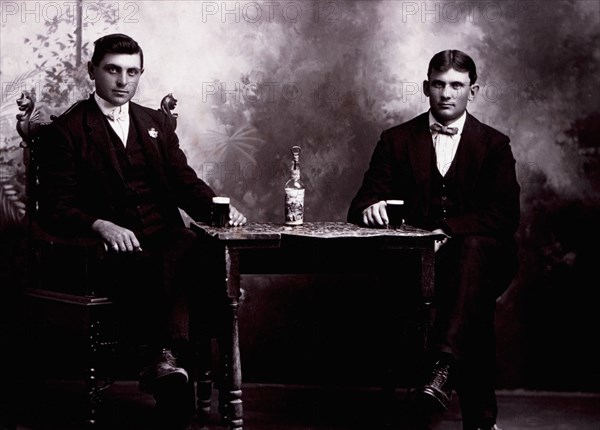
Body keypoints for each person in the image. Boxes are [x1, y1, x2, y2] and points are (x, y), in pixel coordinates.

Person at [37, 33, 247, 428]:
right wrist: (99, 224)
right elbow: (53, 206)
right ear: (92, 71)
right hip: (109, 250)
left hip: (163, 237)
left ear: (140, 75)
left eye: (132, 72)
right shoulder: (67, 130)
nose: (122, 81)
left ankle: (163, 361)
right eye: (112, 70)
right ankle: (172, 366)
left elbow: (184, 181)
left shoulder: (154, 123)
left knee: (189, 246)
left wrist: (221, 208)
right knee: (160, 264)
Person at [348, 50, 520, 430]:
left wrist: (449, 229)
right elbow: (359, 203)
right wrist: (371, 208)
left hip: (488, 258)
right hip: (418, 262)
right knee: (470, 301)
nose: (446, 94)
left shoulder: (494, 145)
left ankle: (439, 367)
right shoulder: (395, 140)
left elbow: (505, 215)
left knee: (471, 254)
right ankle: (476, 413)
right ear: (427, 87)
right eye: (439, 85)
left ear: (472, 92)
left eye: (456, 86)